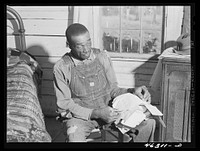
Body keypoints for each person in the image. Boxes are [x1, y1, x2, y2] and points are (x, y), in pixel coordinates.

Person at [53, 23, 156, 142]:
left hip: (109, 111)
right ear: (69, 45)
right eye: (80, 46)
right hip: (81, 117)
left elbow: (113, 90)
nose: (86, 49)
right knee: (74, 135)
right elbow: (64, 106)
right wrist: (96, 113)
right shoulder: (62, 67)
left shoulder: (102, 57)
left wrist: (133, 91)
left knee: (147, 123)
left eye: (88, 42)